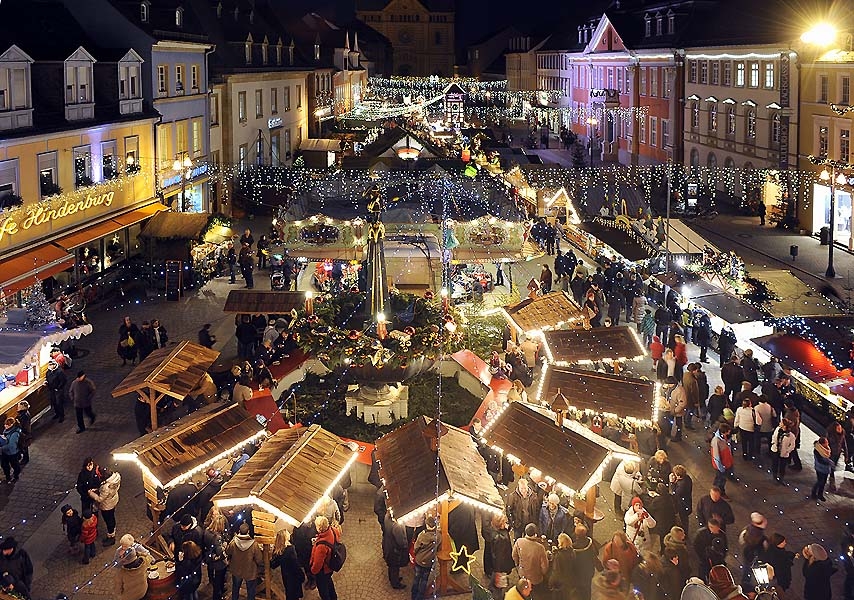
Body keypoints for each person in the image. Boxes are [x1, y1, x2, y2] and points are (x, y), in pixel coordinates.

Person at [227, 522, 263, 600]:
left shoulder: (233, 542)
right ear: (248, 531)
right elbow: (259, 559)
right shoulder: (254, 544)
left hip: (236, 570)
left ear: (239, 531)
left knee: (235, 588)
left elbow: (228, 551)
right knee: (250, 591)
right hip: (250, 572)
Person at [512, 523, 549, 596]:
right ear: (535, 534)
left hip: (523, 574)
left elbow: (514, 556)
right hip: (536, 578)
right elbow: (544, 566)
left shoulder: (519, 541)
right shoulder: (540, 548)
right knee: (536, 593)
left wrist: (518, 566)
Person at [310, 516, 340, 600]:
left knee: (323, 589)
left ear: (319, 528)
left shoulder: (321, 546)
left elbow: (317, 565)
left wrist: (313, 571)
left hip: (324, 570)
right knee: (329, 582)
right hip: (330, 565)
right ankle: (334, 597)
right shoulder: (334, 530)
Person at [89, 467, 121, 546]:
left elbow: (100, 499)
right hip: (113, 500)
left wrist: (91, 494)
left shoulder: (106, 487)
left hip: (107, 505)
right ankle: (112, 532)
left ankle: (111, 537)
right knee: (111, 517)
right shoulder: (116, 477)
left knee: (109, 520)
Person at [202, 511, 229, 600]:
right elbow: (220, 553)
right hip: (218, 564)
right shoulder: (217, 538)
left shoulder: (206, 531)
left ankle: (218, 591)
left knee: (216, 579)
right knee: (218, 580)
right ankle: (217, 596)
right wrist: (224, 547)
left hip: (210, 558)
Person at [270, 529, 305, 600]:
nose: (289, 533)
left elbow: (273, 565)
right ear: (285, 537)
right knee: (294, 596)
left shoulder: (281, 551)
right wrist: (302, 575)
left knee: (289, 595)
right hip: (294, 577)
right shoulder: (290, 549)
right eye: (287, 533)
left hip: (286, 578)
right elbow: (296, 565)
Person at [412, 515, 438, 600]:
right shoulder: (438, 537)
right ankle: (420, 596)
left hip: (420, 560)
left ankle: (413, 594)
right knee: (424, 579)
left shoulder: (422, 536)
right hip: (429, 561)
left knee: (417, 578)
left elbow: (416, 547)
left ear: (427, 525)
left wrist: (415, 553)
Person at [694, 517, 728, 582]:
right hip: (705, 560)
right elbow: (697, 546)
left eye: (715, 528)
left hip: (717, 560)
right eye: (711, 527)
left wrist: (722, 556)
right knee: (703, 574)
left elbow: (725, 547)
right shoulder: (701, 534)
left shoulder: (722, 535)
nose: (712, 529)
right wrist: (703, 556)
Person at [382, 508, 409, 589]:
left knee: (391, 566)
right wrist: (405, 545)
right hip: (394, 550)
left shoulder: (387, 516)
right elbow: (401, 541)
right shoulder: (397, 526)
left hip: (387, 545)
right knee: (394, 566)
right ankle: (395, 583)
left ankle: (393, 578)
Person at [710, 424, 734, 499]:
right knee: (721, 480)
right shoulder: (716, 441)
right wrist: (721, 467)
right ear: (723, 432)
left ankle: (715, 488)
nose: (729, 434)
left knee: (719, 478)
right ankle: (720, 492)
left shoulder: (723, 437)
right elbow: (716, 456)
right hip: (721, 465)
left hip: (726, 463)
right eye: (728, 432)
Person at [549, 533, 576, 599]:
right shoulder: (572, 552)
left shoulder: (558, 556)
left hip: (560, 582)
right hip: (569, 579)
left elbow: (556, 572)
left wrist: (550, 582)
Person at [770, 418, 797, 483]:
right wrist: (773, 443)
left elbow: (792, 446)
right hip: (775, 450)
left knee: (782, 466)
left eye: (781, 423)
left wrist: (787, 451)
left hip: (784, 453)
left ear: (784, 426)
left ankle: (781, 479)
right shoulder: (777, 429)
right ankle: (774, 477)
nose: (779, 423)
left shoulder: (791, 436)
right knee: (775, 464)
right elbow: (774, 436)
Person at [669, 464, 693, 530]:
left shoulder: (682, 485)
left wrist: (672, 483)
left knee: (684, 519)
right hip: (686, 502)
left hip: (683, 504)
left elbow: (675, 493)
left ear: (679, 476)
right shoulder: (687, 478)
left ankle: (685, 532)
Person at [0, 417, 22, 483]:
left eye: (7, 424)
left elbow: (11, 446)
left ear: (12, 424)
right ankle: (7, 477)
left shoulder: (15, 433)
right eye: (5, 424)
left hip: (12, 453)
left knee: (15, 465)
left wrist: (1, 448)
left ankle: (16, 475)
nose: (5, 426)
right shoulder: (6, 430)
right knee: (4, 465)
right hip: (5, 453)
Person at [812, 436, 834, 501]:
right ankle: (813, 493)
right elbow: (820, 460)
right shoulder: (817, 450)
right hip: (820, 468)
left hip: (826, 469)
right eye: (826, 442)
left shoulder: (827, 449)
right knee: (819, 481)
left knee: (823, 482)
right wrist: (829, 462)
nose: (828, 443)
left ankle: (820, 494)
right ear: (822, 444)